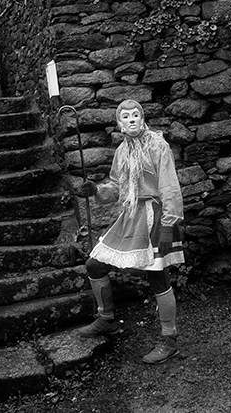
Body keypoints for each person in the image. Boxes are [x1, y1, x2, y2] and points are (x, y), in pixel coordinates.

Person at [72, 99, 185, 364]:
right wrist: (97, 191)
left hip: (157, 218)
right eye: (126, 116)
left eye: (136, 115)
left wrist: (169, 226)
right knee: (94, 265)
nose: (132, 119)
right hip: (130, 217)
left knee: (158, 275)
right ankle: (106, 318)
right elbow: (116, 187)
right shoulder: (121, 152)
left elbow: (169, 186)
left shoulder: (158, 145)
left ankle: (169, 340)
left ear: (143, 118)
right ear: (119, 123)